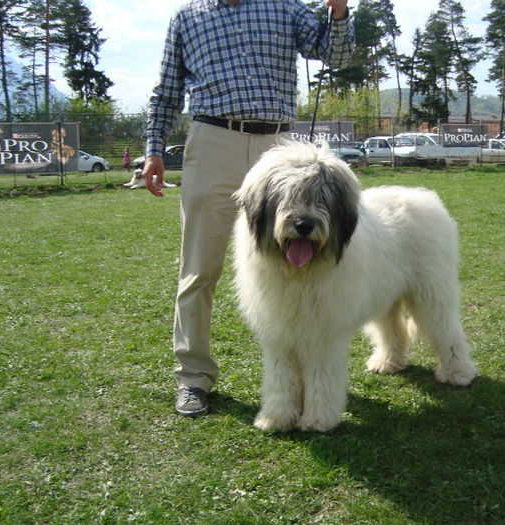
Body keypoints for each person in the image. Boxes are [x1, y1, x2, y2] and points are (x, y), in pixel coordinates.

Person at [142, 0, 354, 417]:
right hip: (213, 140)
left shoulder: (285, 8)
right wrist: (153, 150)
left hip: (279, 149)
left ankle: (303, 375)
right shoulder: (187, 17)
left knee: (299, 271)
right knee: (199, 269)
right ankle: (193, 377)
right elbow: (166, 92)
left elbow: (336, 55)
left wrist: (340, 12)